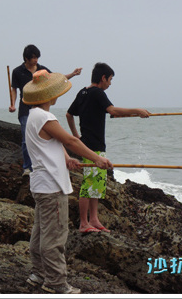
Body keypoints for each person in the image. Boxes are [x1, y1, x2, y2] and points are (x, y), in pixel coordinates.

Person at [22, 69, 113, 295]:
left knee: (41, 232)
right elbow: (71, 139)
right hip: (51, 186)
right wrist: (97, 158)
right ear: (49, 95)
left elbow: (53, 144)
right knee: (54, 237)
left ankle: (38, 273)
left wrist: (67, 159)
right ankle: (55, 283)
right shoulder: (45, 117)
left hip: (40, 184)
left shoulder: (33, 116)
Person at [66, 62, 150, 234]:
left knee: (97, 182)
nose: (110, 83)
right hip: (92, 147)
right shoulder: (97, 92)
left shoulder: (83, 92)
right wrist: (137, 110)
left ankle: (94, 219)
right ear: (103, 78)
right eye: (110, 79)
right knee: (88, 184)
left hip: (90, 144)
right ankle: (83, 223)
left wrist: (76, 135)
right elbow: (112, 110)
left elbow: (69, 114)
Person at [9, 44, 82, 177]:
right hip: (26, 109)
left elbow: (55, 81)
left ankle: (41, 165)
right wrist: (12, 104)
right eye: (33, 58)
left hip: (43, 109)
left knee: (46, 139)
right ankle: (27, 167)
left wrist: (73, 74)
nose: (36, 60)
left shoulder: (42, 70)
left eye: (37, 57)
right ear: (26, 58)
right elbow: (14, 89)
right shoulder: (17, 71)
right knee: (27, 139)